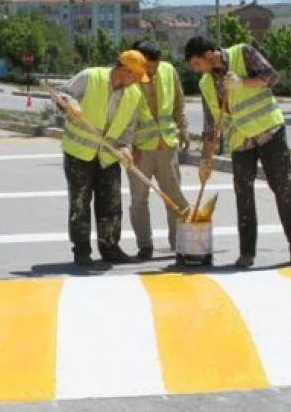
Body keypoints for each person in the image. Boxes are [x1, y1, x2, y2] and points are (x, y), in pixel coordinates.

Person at [183, 35, 291, 268]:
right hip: (240, 140)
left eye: (198, 64)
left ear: (209, 54)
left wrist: (242, 82)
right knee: (243, 195)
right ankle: (247, 253)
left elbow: (271, 76)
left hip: (269, 131)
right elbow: (211, 124)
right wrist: (205, 159)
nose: (197, 70)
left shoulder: (243, 53)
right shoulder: (206, 84)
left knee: (283, 188)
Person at [54, 49, 148, 266]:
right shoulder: (90, 77)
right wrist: (70, 104)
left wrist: (125, 147)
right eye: (134, 76)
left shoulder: (133, 94)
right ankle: (82, 251)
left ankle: (110, 248)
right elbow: (62, 94)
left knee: (111, 204)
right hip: (79, 153)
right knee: (80, 203)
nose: (136, 81)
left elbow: (128, 128)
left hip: (108, 156)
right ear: (124, 70)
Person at [126, 40, 191, 260]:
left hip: (166, 146)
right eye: (148, 66)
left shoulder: (168, 71)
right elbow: (121, 115)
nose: (152, 71)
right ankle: (145, 246)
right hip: (139, 150)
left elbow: (178, 102)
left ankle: (179, 244)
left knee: (174, 197)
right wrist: (129, 146)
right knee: (139, 200)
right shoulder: (128, 76)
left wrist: (183, 129)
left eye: (155, 65)